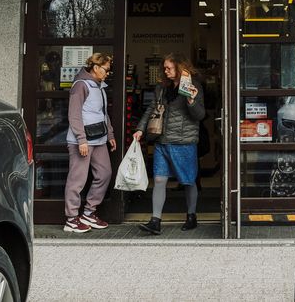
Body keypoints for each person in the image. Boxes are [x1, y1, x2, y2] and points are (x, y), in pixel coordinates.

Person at [134, 53, 205, 234]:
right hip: (162, 140)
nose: (165, 71)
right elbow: (152, 109)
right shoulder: (162, 87)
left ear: (180, 67)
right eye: (164, 68)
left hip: (184, 141)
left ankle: (191, 216)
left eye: (169, 68)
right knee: (159, 179)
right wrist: (141, 129)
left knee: (188, 181)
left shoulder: (193, 86)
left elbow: (199, 115)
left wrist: (191, 100)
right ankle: (155, 221)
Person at [63, 53, 117, 233]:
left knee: (104, 173)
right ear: (95, 68)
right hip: (83, 141)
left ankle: (88, 212)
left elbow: (103, 113)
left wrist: (110, 134)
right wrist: (81, 139)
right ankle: (71, 218)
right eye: (106, 70)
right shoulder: (80, 85)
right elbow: (74, 114)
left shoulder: (100, 86)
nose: (108, 73)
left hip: (99, 139)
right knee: (77, 179)